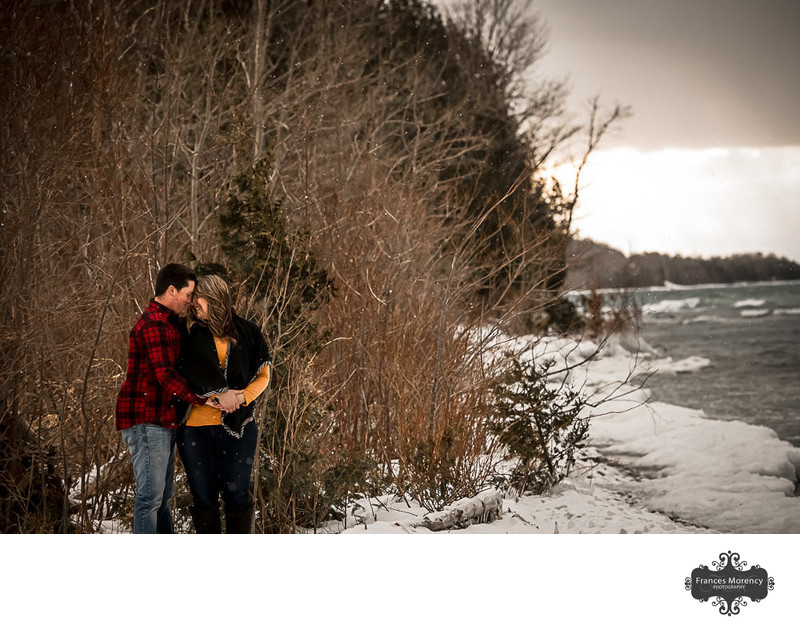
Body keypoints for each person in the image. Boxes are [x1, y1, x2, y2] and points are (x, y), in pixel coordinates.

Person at [115, 263, 241, 534]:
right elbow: (165, 376)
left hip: (163, 419)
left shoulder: (171, 322)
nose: (190, 300)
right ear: (172, 290)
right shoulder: (153, 324)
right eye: (188, 294)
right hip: (146, 419)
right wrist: (203, 398)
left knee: (162, 499)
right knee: (150, 498)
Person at [176, 274, 271, 534]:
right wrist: (217, 395)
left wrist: (240, 397)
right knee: (203, 499)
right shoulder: (189, 333)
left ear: (215, 298)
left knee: (237, 496)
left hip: (239, 427)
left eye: (199, 299)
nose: (194, 304)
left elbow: (264, 375)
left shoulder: (248, 331)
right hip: (195, 429)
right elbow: (182, 376)